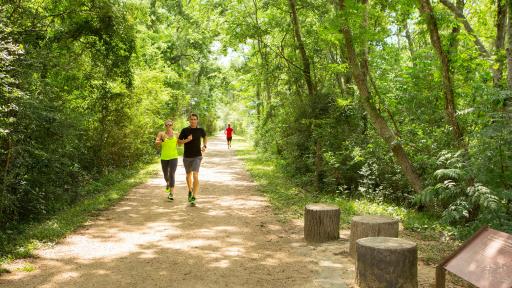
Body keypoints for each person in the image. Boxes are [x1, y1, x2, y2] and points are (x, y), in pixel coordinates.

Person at [178, 113, 207, 206]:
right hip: (187, 157)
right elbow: (178, 142)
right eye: (191, 119)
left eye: (195, 119)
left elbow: (205, 137)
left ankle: (194, 196)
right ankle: (190, 190)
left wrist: (204, 145)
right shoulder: (185, 130)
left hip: (197, 156)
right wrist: (187, 140)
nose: (193, 121)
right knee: (188, 175)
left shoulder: (200, 130)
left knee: (195, 174)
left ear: (197, 120)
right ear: (189, 120)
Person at [155, 119, 179, 201]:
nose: (168, 126)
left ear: (172, 125)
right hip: (164, 157)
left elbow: (180, 142)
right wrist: (162, 140)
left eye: (170, 124)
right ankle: (168, 183)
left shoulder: (176, 134)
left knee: (172, 173)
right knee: (166, 174)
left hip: (174, 156)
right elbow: (156, 142)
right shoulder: (161, 134)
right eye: (166, 125)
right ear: (165, 126)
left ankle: (171, 193)